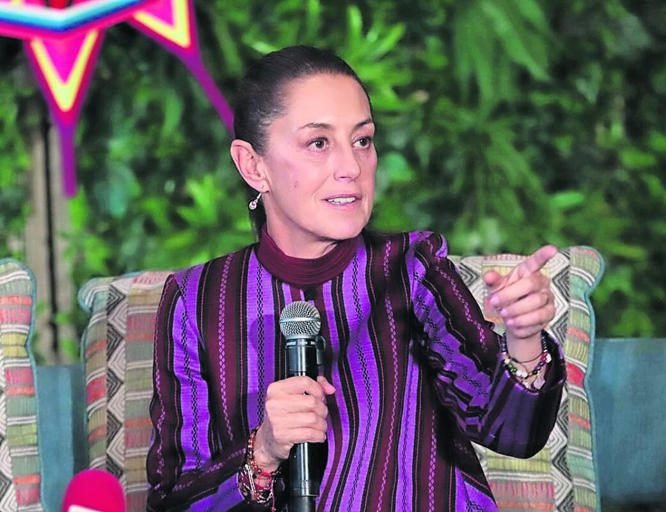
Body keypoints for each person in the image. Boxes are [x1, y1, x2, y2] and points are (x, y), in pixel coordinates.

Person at [146, 45, 565, 511]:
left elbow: (514, 433)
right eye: (319, 143)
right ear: (252, 165)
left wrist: (524, 340)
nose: (351, 168)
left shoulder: (412, 268)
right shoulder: (197, 300)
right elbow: (171, 501)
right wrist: (262, 451)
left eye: (362, 140)